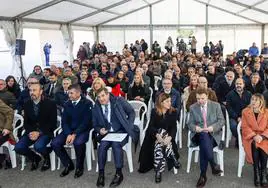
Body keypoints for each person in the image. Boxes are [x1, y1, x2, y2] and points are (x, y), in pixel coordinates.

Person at [93, 87, 139, 187]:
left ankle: (119, 173)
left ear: (108, 94)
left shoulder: (118, 101)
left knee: (116, 145)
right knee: (102, 147)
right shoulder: (96, 106)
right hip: (107, 133)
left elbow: (131, 112)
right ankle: (101, 174)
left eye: (103, 96)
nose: (101, 99)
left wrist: (129, 125)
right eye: (99, 97)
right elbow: (95, 124)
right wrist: (99, 130)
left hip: (121, 131)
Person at [51, 84, 93, 178]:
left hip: (82, 130)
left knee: (78, 143)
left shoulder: (87, 103)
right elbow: (64, 122)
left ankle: (79, 167)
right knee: (55, 143)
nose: (69, 95)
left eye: (71, 93)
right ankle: (68, 164)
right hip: (69, 130)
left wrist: (74, 134)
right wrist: (69, 133)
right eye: (68, 93)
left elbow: (86, 122)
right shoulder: (67, 104)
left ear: (78, 93)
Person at [14, 83, 57, 171]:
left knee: (39, 146)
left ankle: (47, 158)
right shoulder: (27, 104)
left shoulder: (50, 103)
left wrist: (39, 133)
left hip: (45, 132)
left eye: (34, 90)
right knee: (18, 147)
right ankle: (35, 158)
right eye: (30, 90)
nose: (32, 92)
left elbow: (52, 123)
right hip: (31, 132)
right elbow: (26, 123)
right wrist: (31, 132)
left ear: (41, 91)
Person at [138, 93, 181, 183]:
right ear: (161, 103)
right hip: (153, 136)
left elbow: (174, 127)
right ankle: (172, 156)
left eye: (170, 101)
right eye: (167, 101)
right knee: (160, 132)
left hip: (167, 139)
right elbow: (151, 127)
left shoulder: (173, 112)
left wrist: (170, 137)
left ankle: (158, 171)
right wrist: (157, 135)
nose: (170, 103)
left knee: (159, 144)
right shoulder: (154, 111)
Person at [188, 88, 224, 187]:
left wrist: (212, 128)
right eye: (198, 99)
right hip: (198, 135)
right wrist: (196, 128)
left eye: (202, 98)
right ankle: (213, 164)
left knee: (204, 148)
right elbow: (189, 124)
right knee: (203, 136)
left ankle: (203, 175)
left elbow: (221, 121)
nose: (200, 101)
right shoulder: (193, 107)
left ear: (207, 96)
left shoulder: (216, 106)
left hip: (213, 135)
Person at [241, 94, 268, 187]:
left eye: (256, 100)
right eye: (252, 99)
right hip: (250, 137)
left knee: (263, 144)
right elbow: (244, 127)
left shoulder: (266, 112)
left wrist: (263, 136)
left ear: (261, 102)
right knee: (255, 144)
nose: (253, 102)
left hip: (264, 137)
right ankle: (256, 172)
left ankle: (263, 172)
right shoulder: (245, 111)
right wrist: (254, 136)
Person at [226, 78, 252, 147]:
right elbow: (229, 108)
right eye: (237, 84)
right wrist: (237, 117)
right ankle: (239, 139)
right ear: (235, 85)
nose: (238, 85)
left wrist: (244, 117)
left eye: (240, 84)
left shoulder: (249, 94)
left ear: (243, 85)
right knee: (234, 126)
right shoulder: (230, 94)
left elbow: (250, 107)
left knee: (250, 126)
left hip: (246, 117)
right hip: (234, 117)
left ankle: (245, 141)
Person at [0, 99, 14, 167]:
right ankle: (3, 157)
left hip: (3, 130)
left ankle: (4, 157)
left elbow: (10, 111)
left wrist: (7, 127)